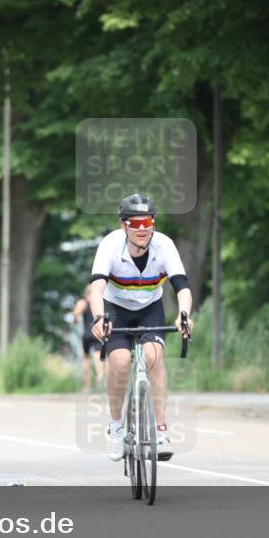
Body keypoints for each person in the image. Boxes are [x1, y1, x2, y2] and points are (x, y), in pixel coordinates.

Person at [88, 194, 193, 462]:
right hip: (115, 309)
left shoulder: (164, 245)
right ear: (123, 225)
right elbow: (96, 289)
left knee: (153, 356)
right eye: (135, 224)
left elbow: (182, 287)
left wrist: (184, 315)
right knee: (121, 361)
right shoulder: (110, 245)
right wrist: (99, 318)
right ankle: (115, 426)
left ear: (153, 223)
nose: (142, 229)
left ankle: (160, 432)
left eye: (147, 222)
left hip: (149, 307)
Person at [72, 284, 105, 392]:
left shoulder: (83, 302)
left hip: (87, 334)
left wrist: (75, 320)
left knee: (86, 358)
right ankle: (100, 379)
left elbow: (76, 313)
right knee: (98, 356)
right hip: (98, 332)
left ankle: (87, 386)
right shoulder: (100, 302)